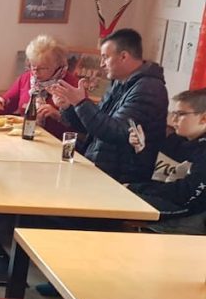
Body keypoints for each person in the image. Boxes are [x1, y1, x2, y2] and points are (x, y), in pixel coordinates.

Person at [48, 28, 168, 184]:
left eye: (105, 57)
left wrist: (80, 103)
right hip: (98, 166)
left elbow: (115, 132)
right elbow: (92, 126)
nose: (101, 64)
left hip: (122, 178)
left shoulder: (149, 89)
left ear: (123, 56)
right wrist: (68, 107)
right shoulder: (119, 82)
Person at [126, 88, 206, 234]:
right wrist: (140, 150)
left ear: (203, 118)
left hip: (182, 216)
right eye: (173, 113)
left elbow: (185, 194)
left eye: (180, 114)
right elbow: (153, 174)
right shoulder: (175, 139)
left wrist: (136, 188)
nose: (173, 120)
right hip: (158, 199)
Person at [0, 35, 78, 138]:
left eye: (42, 68)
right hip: (26, 137)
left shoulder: (72, 85)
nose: (35, 72)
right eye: (33, 65)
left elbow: (82, 127)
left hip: (58, 142)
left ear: (58, 65)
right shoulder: (26, 78)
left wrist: (58, 115)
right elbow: (6, 107)